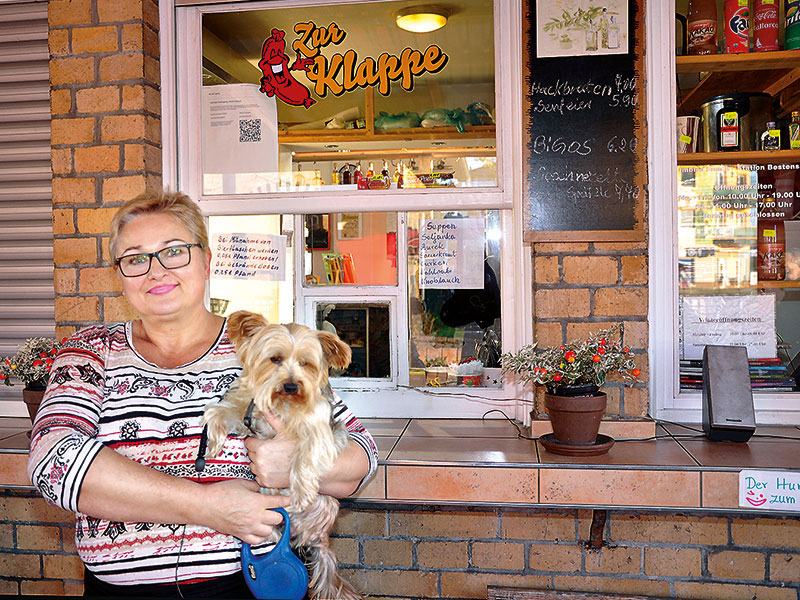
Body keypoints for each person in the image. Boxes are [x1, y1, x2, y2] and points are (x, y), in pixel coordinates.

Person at [27, 190, 378, 598]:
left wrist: (299, 462)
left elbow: (362, 458)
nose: (156, 272)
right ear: (119, 276)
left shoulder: (265, 349)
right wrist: (208, 506)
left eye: (174, 251)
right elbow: (52, 461)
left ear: (206, 260)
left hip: (250, 582)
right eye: (136, 259)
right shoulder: (90, 351)